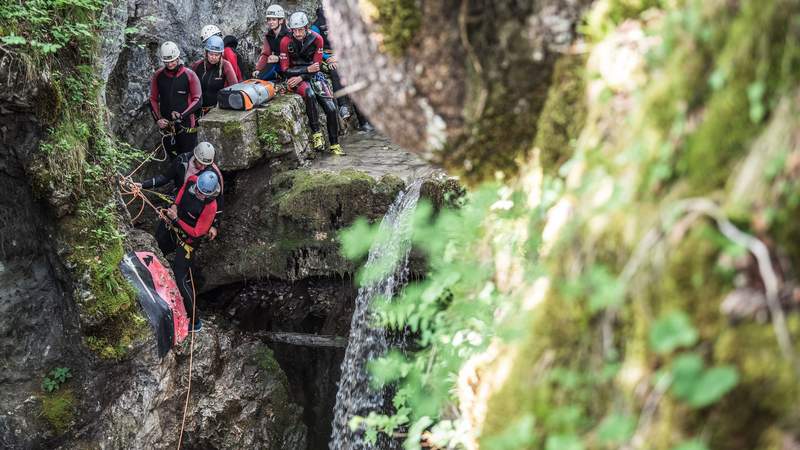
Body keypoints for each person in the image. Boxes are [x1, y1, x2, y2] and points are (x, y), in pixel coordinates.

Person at [156, 171, 221, 333]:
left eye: (202, 193)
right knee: (157, 246)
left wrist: (176, 220)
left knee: (181, 277)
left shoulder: (210, 206)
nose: (198, 194)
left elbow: (197, 232)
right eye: (198, 190)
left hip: (188, 241)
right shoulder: (193, 180)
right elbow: (181, 193)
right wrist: (174, 207)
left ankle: (195, 321)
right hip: (174, 225)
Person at [280, 11, 344, 155]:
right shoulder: (285, 41)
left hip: (307, 75)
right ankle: (317, 134)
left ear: (306, 27)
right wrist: (305, 72)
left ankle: (335, 144)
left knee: (331, 108)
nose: (297, 33)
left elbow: (316, 67)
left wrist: (303, 75)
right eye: (294, 30)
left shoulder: (317, 39)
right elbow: (285, 69)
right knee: (309, 94)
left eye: (300, 29)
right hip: (294, 75)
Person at [138, 141, 224, 240]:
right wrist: (143, 185)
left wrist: (214, 225)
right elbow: (165, 177)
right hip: (178, 199)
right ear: (195, 156)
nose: (203, 167)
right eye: (201, 163)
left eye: (206, 164)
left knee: (186, 236)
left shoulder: (213, 175)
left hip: (197, 208)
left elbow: (219, 199)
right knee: (162, 235)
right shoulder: (182, 160)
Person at [149, 41, 202, 157]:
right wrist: (158, 119)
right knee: (173, 160)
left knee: (187, 159)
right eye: (167, 62)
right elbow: (152, 98)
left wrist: (182, 115)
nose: (170, 64)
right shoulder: (158, 76)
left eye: (172, 61)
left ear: (178, 58)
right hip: (168, 127)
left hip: (186, 126)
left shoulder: (189, 75)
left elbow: (198, 100)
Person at [310, 6, 352, 119]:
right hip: (325, 57)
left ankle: (365, 120)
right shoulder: (317, 25)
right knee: (335, 68)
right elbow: (315, 47)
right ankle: (343, 105)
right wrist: (327, 57)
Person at [191, 35, 238, 117]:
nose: (213, 57)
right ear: (206, 52)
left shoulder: (225, 66)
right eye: (211, 54)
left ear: (221, 54)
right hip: (198, 110)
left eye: (217, 55)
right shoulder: (197, 66)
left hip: (217, 110)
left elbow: (234, 87)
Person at [253, 4, 290, 82]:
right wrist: (258, 69)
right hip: (275, 65)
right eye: (269, 19)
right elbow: (265, 54)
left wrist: (279, 58)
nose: (270, 22)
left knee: (270, 67)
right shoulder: (268, 36)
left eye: (273, 19)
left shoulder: (289, 35)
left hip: (288, 66)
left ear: (280, 21)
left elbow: (294, 55)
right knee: (260, 74)